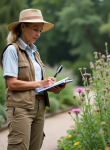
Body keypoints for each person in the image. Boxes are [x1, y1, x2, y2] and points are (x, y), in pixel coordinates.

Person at [0, 9, 66, 150]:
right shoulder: (12, 50)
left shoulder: (34, 52)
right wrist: (41, 83)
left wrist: (51, 87)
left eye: (40, 30)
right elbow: (12, 84)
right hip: (21, 108)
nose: (38, 34)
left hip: (39, 107)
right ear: (23, 26)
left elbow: (35, 83)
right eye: (35, 29)